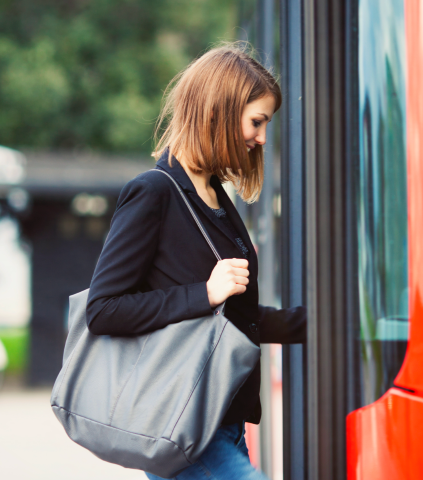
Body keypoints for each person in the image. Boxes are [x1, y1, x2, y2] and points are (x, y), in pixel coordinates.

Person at [85, 42, 307, 480]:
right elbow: (103, 309)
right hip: (183, 424)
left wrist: (317, 325)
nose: (262, 138)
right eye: (256, 122)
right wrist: (203, 293)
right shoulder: (155, 192)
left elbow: (233, 318)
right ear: (219, 111)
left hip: (220, 421)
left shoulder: (215, 198)